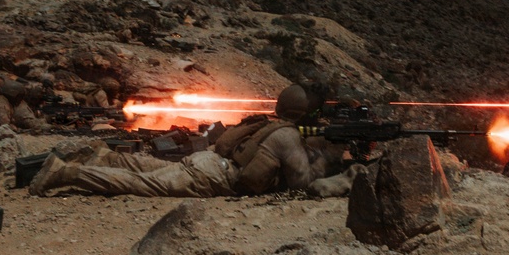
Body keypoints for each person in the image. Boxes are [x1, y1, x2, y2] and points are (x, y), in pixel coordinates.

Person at [28, 82, 348, 198]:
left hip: (208, 161)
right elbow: (302, 183)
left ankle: (104, 157)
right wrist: (330, 159)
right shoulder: (288, 136)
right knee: (142, 184)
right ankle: (66, 172)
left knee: (149, 169)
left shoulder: (270, 124)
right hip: (214, 177)